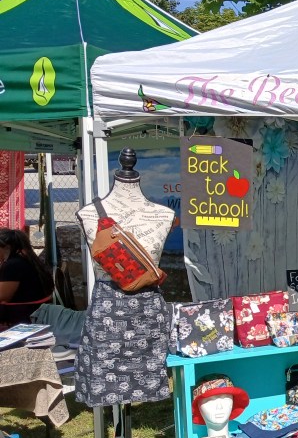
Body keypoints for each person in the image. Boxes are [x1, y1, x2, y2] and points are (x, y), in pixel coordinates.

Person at [75, 148, 175, 408]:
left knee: (148, 376)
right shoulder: (89, 214)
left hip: (148, 313)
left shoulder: (164, 215)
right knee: (104, 380)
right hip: (105, 314)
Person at [0, 227, 54, 328]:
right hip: (34, 310)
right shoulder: (25, 259)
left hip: (25, 315)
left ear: (6, 247)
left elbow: (3, 297)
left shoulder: (13, 265)